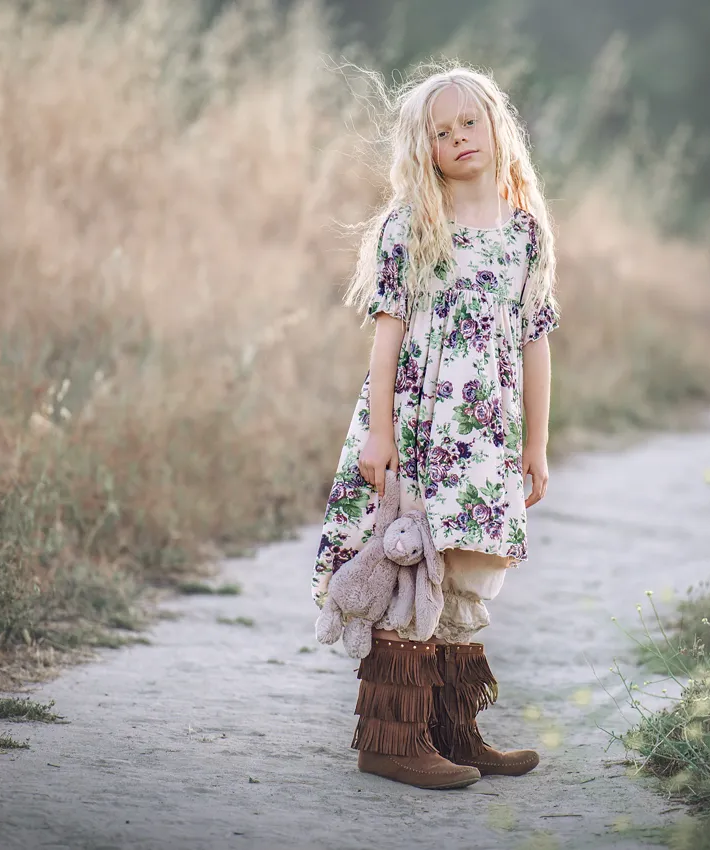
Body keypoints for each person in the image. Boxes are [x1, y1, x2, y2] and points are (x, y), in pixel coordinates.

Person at [310, 64, 559, 790]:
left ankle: (452, 731)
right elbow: (387, 335)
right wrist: (378, 434)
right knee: (410, 558)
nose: (458, 138)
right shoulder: (413, 224)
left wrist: (536, 445)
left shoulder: (524, 233)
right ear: (425, 148)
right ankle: (391, 739)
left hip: (486, 436)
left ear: (497, 127)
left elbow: (534, 340)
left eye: (468, 124)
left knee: (467, 565)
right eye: (441, 132)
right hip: (421, 424)